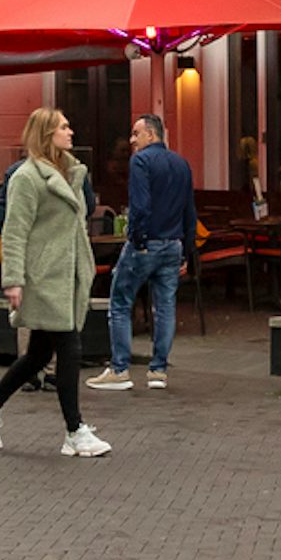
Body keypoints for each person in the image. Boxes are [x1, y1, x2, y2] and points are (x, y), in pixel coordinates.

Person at [0, 109, 109, 458]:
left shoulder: (71, 172)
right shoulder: (27, 178)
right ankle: (75, 431)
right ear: (47, 134)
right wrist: (13, 280)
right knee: (69, 347)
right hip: (44, 276)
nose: (71, 131)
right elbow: (14, 231)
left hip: (67, 272)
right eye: (64, 126)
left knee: (39, 355)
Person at [92, 112, 192, 394]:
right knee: (165, 306)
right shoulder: (182, 164)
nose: (132, 141)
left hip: (147, 242)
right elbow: (189, 209)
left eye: (136, 134)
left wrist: (136, 238)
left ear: (151, 134)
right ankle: (158, 370)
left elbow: (140, 206)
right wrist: (188, 249)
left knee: (120, 301)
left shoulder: (141, 161)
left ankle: (120, 369)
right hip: (174, 243)